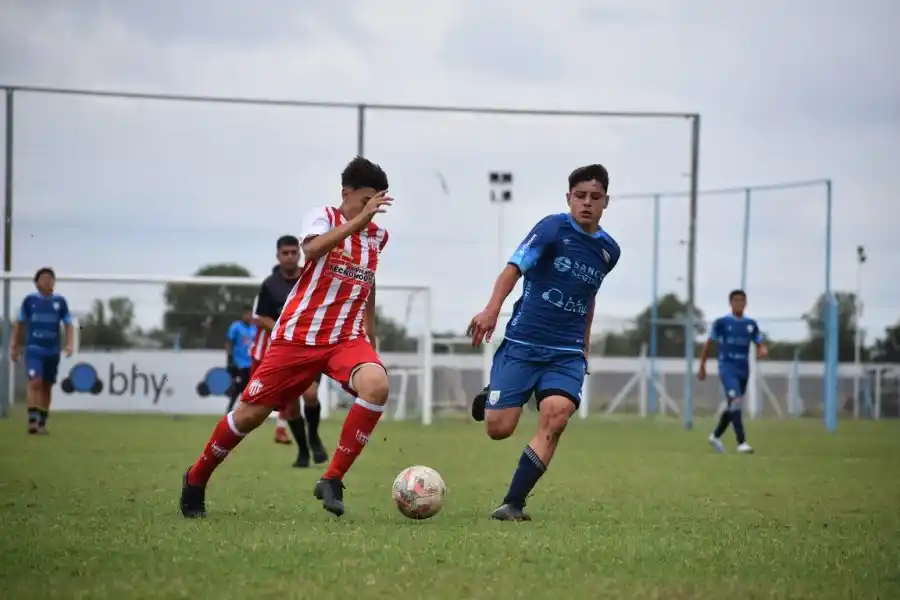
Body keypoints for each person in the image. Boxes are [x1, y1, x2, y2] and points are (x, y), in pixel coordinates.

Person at [180, 156, 392, 519]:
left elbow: (367, 278)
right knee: (248, 416)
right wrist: (358, 219)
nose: (372, 208)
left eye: (378, 202)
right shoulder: (323, 216)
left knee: (377, 385)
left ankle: (332, 478)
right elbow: (310, 250)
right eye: (366, 199)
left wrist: (369, 331)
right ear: (347, 193)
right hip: (298, 337)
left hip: (345, 337)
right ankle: (196, 478)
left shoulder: (378, 236)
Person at [467, 164, 621, 521]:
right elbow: (513, 269)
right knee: (498, 429)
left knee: (556, 416)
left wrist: (583, 345)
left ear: (606, 202)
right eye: (580, 196)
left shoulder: (609, 252)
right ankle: (495, 392)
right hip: (523, 342)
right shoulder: (551, 228)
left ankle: (513, 503)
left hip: (565, 352)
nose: (587, 203)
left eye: (595, 197)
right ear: (568, 198)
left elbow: (589, 296)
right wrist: (492, 310)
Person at [251, 237, 328, 467]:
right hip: (285, 352)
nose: (290, 256)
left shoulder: (310, 278)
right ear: (278, 256)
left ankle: (314, 437)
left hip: (311, 347)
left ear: (300, 254)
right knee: (292, 405)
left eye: (294, 252)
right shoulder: (269, 285)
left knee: (311, 395)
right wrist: (281, 329)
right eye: (285, 253)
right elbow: (260, 317)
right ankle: (303, 450)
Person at [698, 289, 767, 454]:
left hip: (743, 369)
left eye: (741, 300)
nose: (739, 303)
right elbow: (708, 344)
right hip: (727, 368)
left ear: (746, 303)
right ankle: (741, 442)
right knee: (735, 401)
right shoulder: (721, 323)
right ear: (730, 303)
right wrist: (702, 366)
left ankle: (715, 436)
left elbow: (759, 343)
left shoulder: (751, 324)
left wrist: (762, 350)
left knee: (733, 406)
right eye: (735, 300)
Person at [10, 267, 74, 434]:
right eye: (44, 278)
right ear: (37, 282)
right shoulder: (29, 301)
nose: (48, 281)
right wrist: (14, 346)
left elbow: (68, 324)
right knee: (35, 382)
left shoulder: (60, 302)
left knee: (46, 386)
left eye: (51, 278)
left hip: (52, 351)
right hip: (34, 350)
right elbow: (19, 324)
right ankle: (32, 421)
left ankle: (42, 423)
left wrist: (69, 344)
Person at [225, 306, 255, 413]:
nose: (249, 316)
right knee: (237, 389)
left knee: (249, 390)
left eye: (251, 314)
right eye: (247, 314)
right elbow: (229, 343)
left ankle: (247, 412)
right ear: (243, 314)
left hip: (251, 364)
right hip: (239, 363)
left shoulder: (254, 328)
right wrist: (230, 361)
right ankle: (229, 410)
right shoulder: (236, 327)